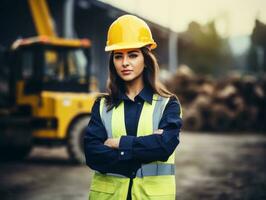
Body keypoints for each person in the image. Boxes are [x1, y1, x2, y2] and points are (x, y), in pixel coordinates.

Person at [84, 14, 182, 200]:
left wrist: (117, 143)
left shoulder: (168, 104)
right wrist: (144, 150)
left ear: (145, 59)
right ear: (112, 62)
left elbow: (164, 147)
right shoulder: (102, 105)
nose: (125, 63)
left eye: (133, 55)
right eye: (118, 56)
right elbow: (92, 154)